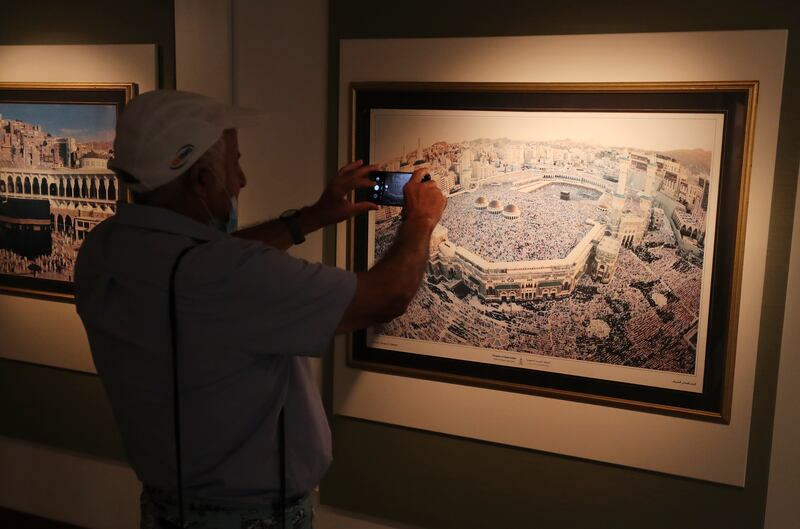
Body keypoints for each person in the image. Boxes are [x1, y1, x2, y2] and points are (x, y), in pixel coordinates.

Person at [74, 90, 446, 529]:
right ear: (200, 180)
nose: (242, 180)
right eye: (234, 164)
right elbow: (387, 295)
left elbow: (210, 259)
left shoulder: (104, 249)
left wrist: (309, 219)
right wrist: (420, 220)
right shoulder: (223, 277)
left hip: (166, 509)